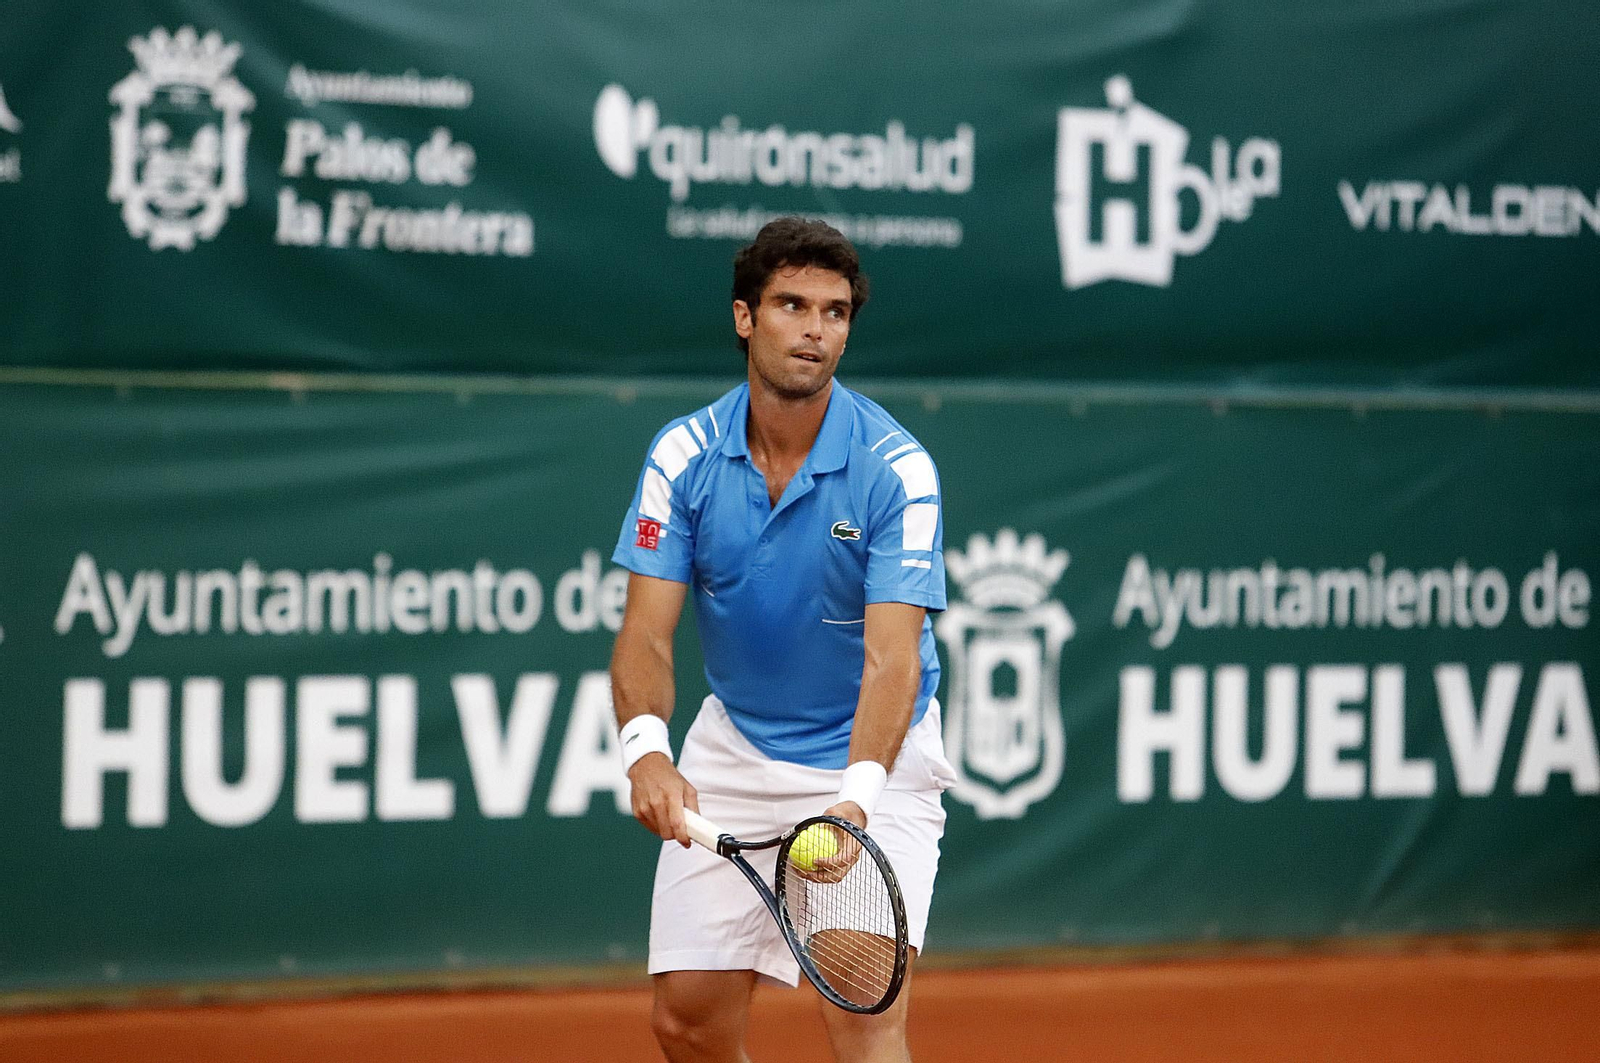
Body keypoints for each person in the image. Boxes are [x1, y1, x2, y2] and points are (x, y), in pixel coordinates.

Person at [609, 216, 956, 1063]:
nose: (815, 329)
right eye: (792, 305)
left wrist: (855, 799)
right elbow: (646, 635)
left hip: (869, 759)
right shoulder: (681, 456)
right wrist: (646, 748)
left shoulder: (896, 469)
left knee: (864, 1020)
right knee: (685, 1022)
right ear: (744, 317)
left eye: (835, 313)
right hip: (736, 747)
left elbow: (893, 661)